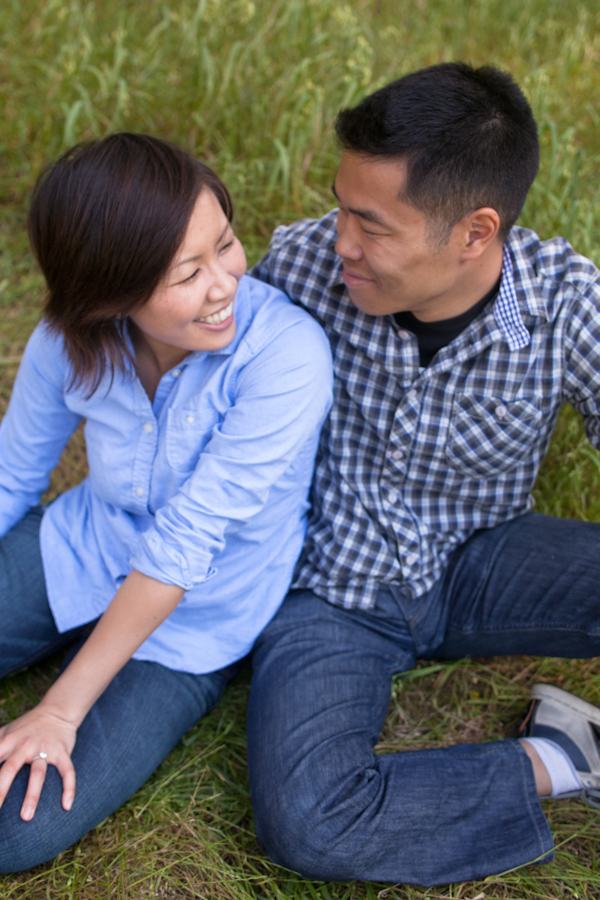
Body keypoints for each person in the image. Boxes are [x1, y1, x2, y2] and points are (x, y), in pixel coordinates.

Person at [247, 62, 600, 886]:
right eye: (341, 207)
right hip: (333, 595)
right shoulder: (299, 269)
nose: (341, 242)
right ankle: (560, 758)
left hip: (483, 559)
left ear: (476, 231)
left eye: (372, 225)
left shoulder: (566, 304)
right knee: (309, 821)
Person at [0, 133, 332, 872]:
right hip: (83, 549)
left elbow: (185, 543)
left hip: (193, 621)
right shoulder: (72, 337)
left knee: (14, 830)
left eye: (226, 243)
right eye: (188, 271)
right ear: (109, 293)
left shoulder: (287, 357)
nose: (224, 284)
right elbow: (11, 476)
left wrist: (59, 710)